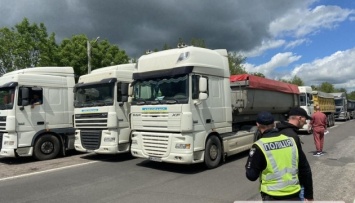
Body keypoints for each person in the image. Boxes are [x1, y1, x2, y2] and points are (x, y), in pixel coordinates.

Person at [245, 111, 314, 201]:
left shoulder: (259, 146)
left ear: (257, 125)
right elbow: (305, 169)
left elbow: (251, 176)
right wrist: (309, 195)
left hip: (272, 195)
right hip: (294, 194)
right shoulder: (291, 141)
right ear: (273, 124)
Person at [276, 107, 314, 200]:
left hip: (277, 185)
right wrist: (309, 194)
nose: (305, 122)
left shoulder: (278, 131)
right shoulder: (292, 136)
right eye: (305, 119)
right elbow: (303, 166)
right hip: (294, 185)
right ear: (299, 118)